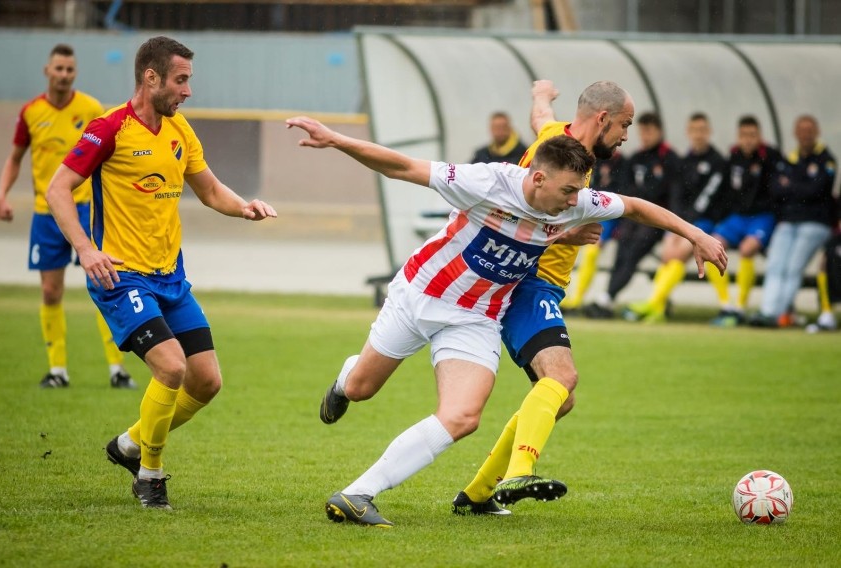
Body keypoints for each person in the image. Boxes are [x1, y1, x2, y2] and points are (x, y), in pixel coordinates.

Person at [295, 84, 726, 526]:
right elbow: (402, 165)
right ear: (538, 178)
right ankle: (345, 380)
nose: (575, 203)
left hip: (478, 316)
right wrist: (337, 140)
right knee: (363, 386)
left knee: (463, 416)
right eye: (567, 194)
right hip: (421, 295)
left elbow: (634, 207)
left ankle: (357, 494)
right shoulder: (487, 182)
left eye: (579, 194)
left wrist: (695, 234)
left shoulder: (575, 198)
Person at [451, 82, 726, 516]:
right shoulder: (555, 161)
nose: (625, 136)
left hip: (538, 282)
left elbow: (540, 118)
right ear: (602, 119)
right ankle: (520, 473)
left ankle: (478, 494)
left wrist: (541, 95)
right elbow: (524, 213)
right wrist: (694, 234)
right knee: (562, 376)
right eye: (624, 125)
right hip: (529, 278)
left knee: (560, 397)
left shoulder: (555, 139)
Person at [45, 36, 276, 510]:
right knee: (172, 367)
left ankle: (129, 444)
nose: (188, 90)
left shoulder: (179, 131)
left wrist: (244, 207)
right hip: (121, 276)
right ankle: (149, 474)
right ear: (150, 78)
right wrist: (87, 251)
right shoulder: (108, 129)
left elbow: (210, 191)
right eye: (181, 80)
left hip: (170, 279)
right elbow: (57, 190)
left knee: (206, 381)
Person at [0, 44, 135, 389]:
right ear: (47, 71)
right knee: (51, 292)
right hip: (47, 213)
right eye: (58, 69)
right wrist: (1, 194)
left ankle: (117, 369)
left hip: (87, 210)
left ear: (75, 73)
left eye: (69, 70)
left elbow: (110, 158)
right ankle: (58, 371)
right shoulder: (30, 113)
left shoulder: (90, 109)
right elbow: (15, 158)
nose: (64, 75)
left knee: (107, 284)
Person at [624, 112, 730, 323]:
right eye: (694, 130)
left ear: (709, 132)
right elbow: (678, 195)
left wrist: (686, 227)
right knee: (668, 254)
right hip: (688, 221)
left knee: (678, 253)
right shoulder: (685, 161)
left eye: (702, 130)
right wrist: (678, 226)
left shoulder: (718, 162)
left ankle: (655, 303)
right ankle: (658, 306)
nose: (698, 135)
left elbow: (706, 198)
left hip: (709, 221)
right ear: (688, 132)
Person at [584, 112, 681, 319]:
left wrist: (673, 228)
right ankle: (607, 298)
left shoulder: (670, 159)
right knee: (623, 248)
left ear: (659, 131)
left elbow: (675, 194)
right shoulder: (636, 158)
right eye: (642, 131)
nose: (645, 136)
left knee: (633, 251)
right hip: (635, 217)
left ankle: (607, 297)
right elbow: (627, 189)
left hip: (657, 220)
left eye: (649, 131)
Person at [749, 115, 836, 327]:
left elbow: (817, 190)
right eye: (801, 130)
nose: (805, 134)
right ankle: (767, 311)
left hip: (815, 223)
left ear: (816, 132)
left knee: (792, 267)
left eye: (809, 130)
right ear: (795, 133)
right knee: (775, 265)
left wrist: (792, 186)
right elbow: (776, 190)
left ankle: (778, 315)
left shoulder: (826, 159)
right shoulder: (789, 158)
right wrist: (800, 187)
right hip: (788, 221)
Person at [707, 116, 782, 327]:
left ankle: (740, 307)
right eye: (744, 136)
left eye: (752, 135)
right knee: (712, 245)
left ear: (759, 136)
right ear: (738, 137)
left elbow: (780, 192)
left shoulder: (771, 158)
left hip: (762, 217)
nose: (748, 140)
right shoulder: (732, 158)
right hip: (738, 218)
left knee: (747, 249)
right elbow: (722, 192)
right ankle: (726, 306)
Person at [560, 151, 627, 311]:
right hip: (586, 212)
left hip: (608, 214)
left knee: (590, 252)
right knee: (562, 242)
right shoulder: (591, 160)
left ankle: (577, 299)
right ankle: (561, 293)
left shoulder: (623, 163)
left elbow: (624, 196)